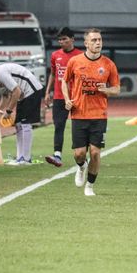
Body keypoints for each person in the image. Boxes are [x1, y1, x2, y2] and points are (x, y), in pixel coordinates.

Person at [62, 28, 120, 195]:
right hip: (79, 114)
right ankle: (81, 167)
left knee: (95, 153)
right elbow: (64, 82)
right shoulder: (75, 61)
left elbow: (117, 89)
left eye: (99, 40)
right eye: (94, 40)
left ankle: (90, 185)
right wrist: (67, 99)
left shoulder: (108, 64)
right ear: (86, 43)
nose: (98, 43)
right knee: (80, 153)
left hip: (99, 115)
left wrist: (107, 90)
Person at [0, 63, 44, 165]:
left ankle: (26, 159)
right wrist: (0, 109)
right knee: (18, 125)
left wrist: (8, 111)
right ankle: (20, 157)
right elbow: (6, 95)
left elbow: (16, 91)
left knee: (26, 125)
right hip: (23, 94)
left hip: (31, 90)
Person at [44, 27, 83, 167]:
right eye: (59, 40)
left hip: (76, 97)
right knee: (59, 126)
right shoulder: (55, 55)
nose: (62, 42)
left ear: (72, 39)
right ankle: (57, 155)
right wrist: (47, 92)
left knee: (79, 127)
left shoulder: (80, 56)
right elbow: (53, 74)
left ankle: (82, 154)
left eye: (64, 39)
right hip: (59, 97)